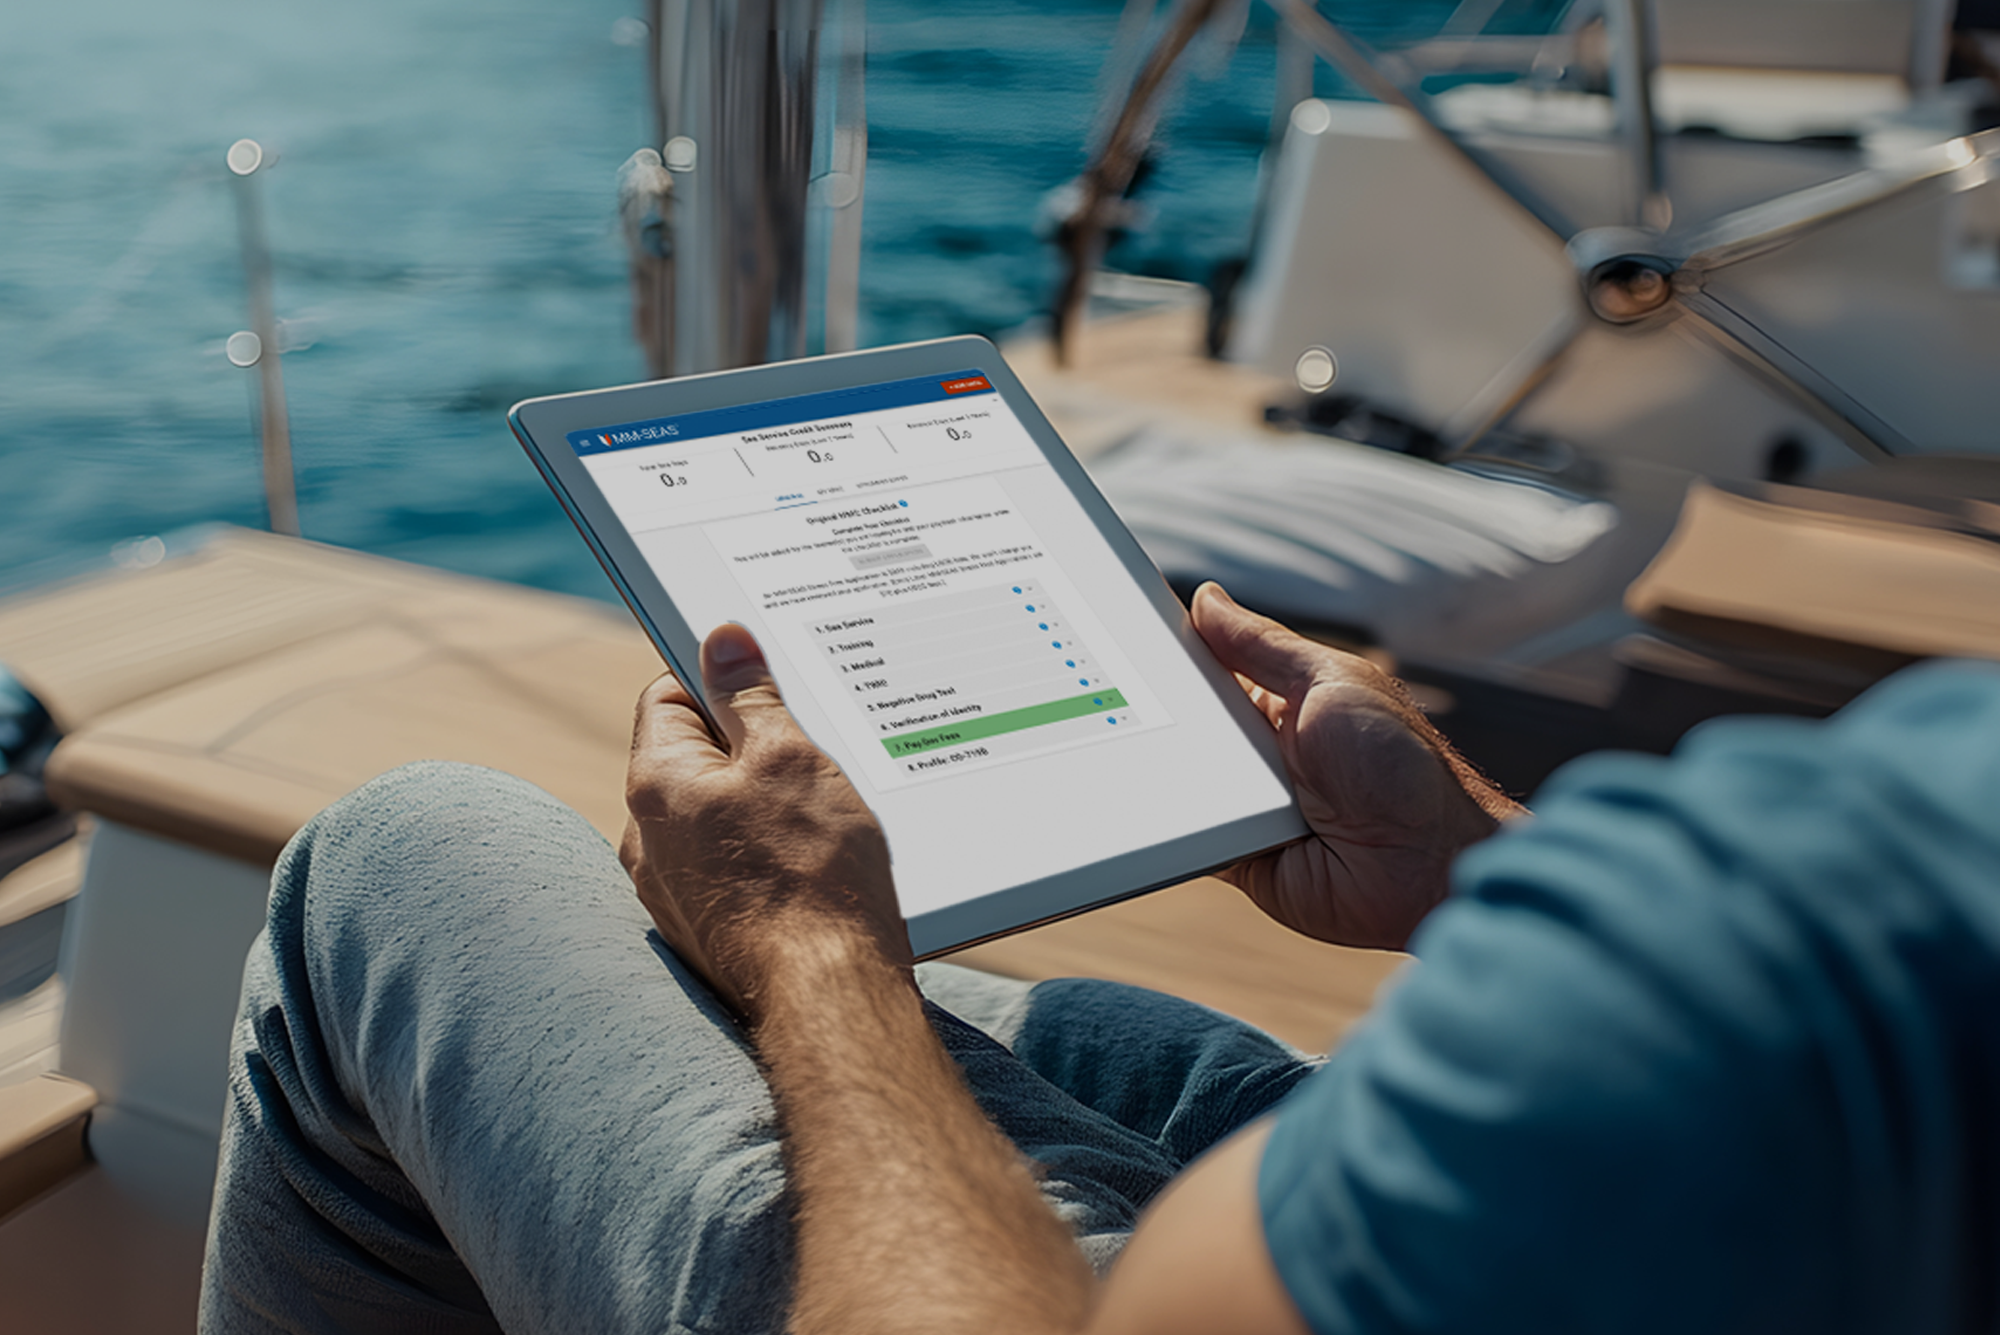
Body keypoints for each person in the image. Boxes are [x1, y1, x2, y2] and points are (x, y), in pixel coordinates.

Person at [198, 583, 2000, 1335]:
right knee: (1116, 1039)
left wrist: (820, 954)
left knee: (415, 851)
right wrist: (1480, 871)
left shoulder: (1835, 915)